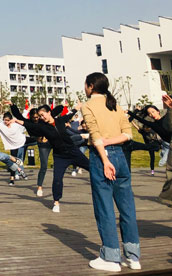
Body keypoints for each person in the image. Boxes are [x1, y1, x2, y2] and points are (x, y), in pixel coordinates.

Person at [81, 72, 140, 272]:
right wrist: (109, 142)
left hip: (102, 158)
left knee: (104, 208)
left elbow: (95, 135)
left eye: (86, 85)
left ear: (90, 86)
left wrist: (105, 159)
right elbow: (127, 134)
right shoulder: (115, 105)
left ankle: (111, 257)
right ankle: (133, 257)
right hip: (121, 157)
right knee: (127, 208)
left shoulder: (88, 105)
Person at [10, 102, 88, 213]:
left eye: (42, 115)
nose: (41, 118)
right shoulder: (43, 127)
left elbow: (69, 114)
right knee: (57, 179)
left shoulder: (60, 121)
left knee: (92, 167)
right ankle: (56, 202)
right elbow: (31, 125)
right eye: (40, 116)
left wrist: (76, 108)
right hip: (60, 156)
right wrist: (18, 121)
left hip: (73, 151)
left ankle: (105, 184)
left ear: (49, 112)